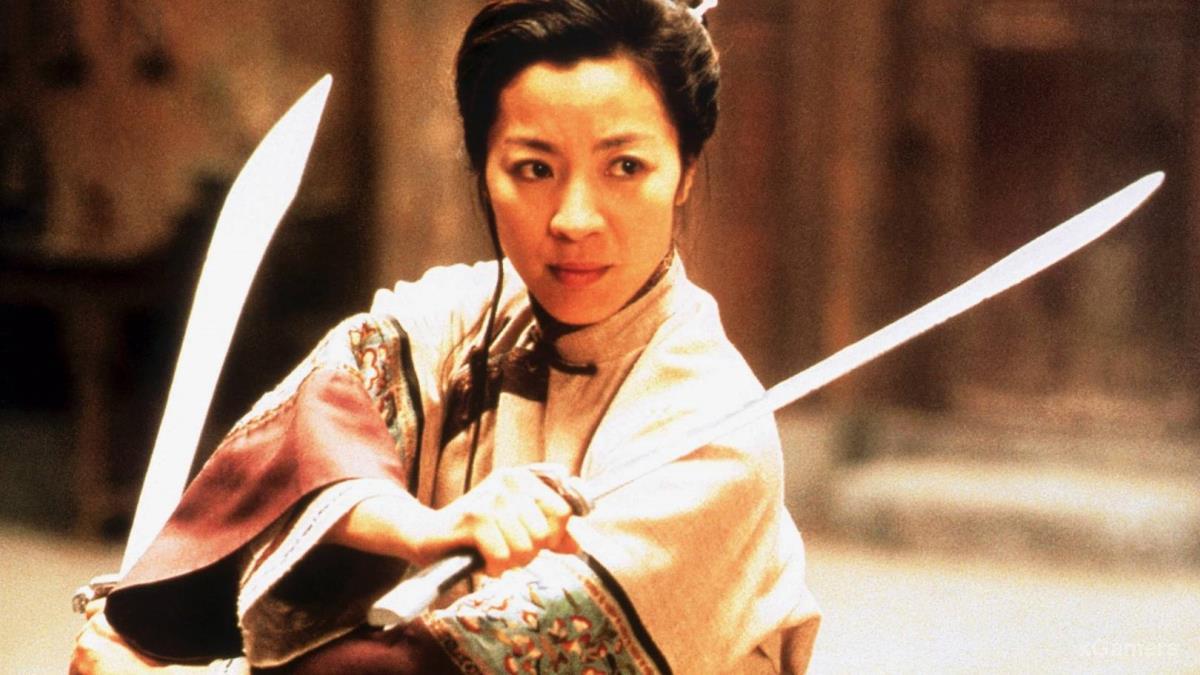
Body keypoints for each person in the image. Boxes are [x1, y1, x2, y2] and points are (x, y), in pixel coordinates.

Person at [71, 0, 821, 672]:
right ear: (483, 168)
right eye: (533, 168)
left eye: (625, 166)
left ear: (684, 171)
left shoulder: (713, 434)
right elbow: (308, 430)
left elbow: (462, 659)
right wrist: (423, 529)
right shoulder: (455, 317)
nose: (574, 218)